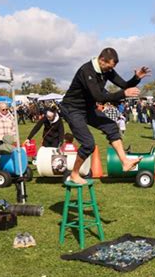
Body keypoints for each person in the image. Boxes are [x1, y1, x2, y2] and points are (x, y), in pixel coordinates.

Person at [60, 47, 150, 184]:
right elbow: (99, 96)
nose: (110, 70)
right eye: (109, 67)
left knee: (111, 126)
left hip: (87, 108)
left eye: (111, 68)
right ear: (102, 60)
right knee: (88, 144)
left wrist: (136, 78)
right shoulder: (87, 71)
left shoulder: (106, 70)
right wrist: (123, 94)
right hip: (72, 109)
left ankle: (125, 162)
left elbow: (124, 85)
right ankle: (74, 174)